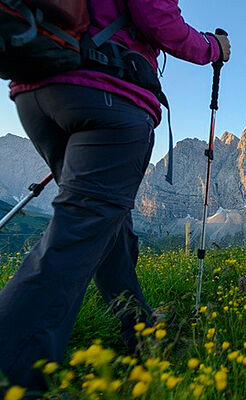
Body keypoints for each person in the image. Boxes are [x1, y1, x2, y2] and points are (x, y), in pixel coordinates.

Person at [0, 0, 230, 392]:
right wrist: (213, 48)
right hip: (107, 92)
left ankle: (140, 330)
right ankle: (15, 372)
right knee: (79, 233)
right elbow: (157, 19)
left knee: (110, 227)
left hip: (37, 87)